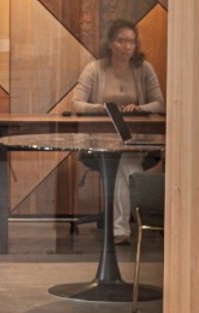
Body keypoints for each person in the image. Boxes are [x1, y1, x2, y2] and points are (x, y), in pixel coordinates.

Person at [69, 20, 165, 243]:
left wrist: (139, 108)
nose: (127, 46)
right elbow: (76, 104)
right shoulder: (94, 69)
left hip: (135, 139)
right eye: (121, 40)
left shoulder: (144, 68)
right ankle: (125, 227)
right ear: (111, 43)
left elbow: (159, 103)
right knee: (127, 166)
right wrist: (104, 108)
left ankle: (121, 229)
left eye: (131, 41)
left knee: (126, 162)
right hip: (100, 140)